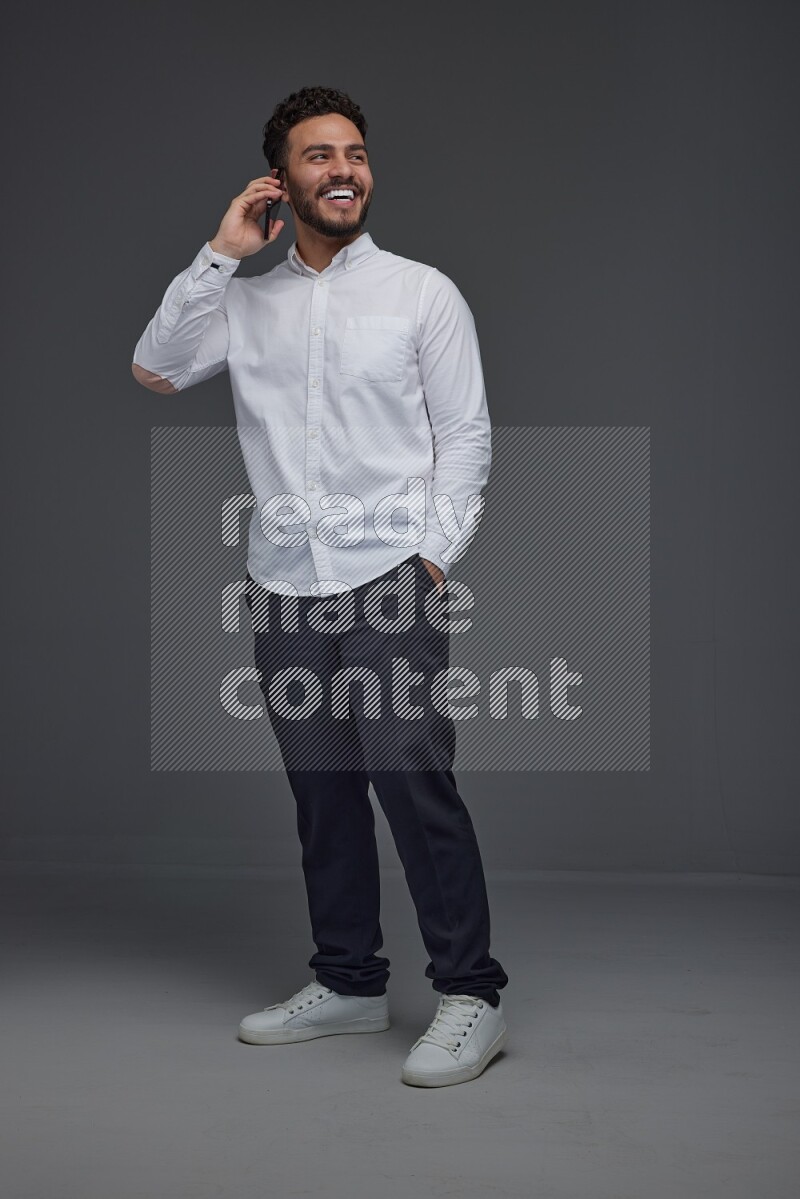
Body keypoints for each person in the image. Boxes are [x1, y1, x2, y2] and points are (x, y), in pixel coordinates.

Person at [132, 85, 508, 1087]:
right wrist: (219, 253)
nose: (342, 170)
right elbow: (155, 368)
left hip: (390, 574)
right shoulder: (243, 302)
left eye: (353, 153)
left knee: (408, 776)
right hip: (283, 582)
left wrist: (431, 557)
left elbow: (463, 436)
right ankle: (347, 979)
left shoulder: (421, 293)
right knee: (323, 788)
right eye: (317, 156)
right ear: (279, 180)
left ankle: (468, 990)